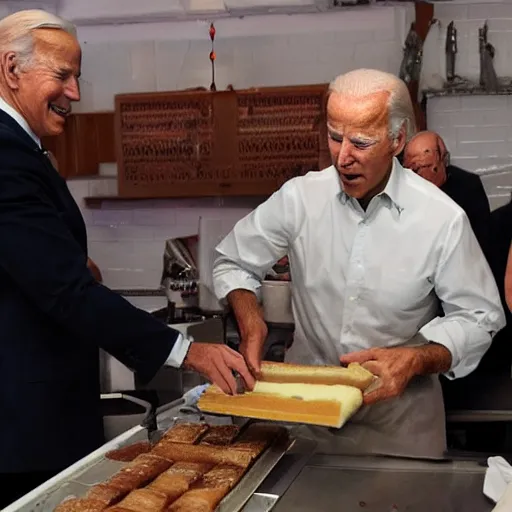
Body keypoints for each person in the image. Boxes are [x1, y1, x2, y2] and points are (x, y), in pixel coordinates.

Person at [0, 10, 253, 508]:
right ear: (11, 69)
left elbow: (41, 267)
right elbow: (64, 292)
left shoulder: (23, 149)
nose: (74, 92)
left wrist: (72, 263)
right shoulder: (6, 156)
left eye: (77, 76)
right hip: (23, 426)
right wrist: (187, 351)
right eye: (62, 76)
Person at [212, 68, 505, 459]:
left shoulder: (441, 219)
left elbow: (479, 317)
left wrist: (417, 358)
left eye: (362, 142)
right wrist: (251, 318)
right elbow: (232, 260)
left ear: (398, 139)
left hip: (399, 428)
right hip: (306, 418)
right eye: (335, 137)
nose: (343, 157)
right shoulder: (300, 199)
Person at [403, 130, 493, 263]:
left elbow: (482, 239)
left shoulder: (468, 187)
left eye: (421, 168)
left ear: (443, 161)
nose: (416, 176)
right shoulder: (405, 187)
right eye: (408, 169)